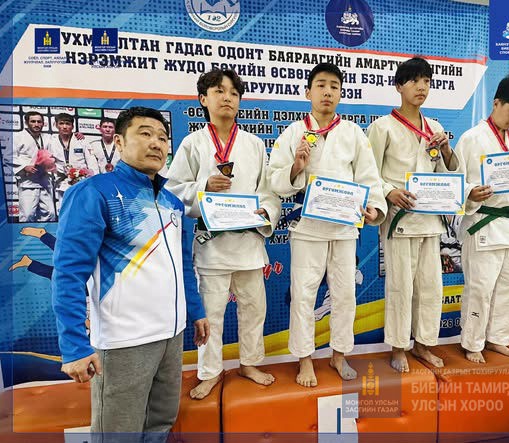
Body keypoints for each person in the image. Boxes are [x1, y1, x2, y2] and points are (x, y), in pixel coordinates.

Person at [52, 107, 209, 441]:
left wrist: (195, 311)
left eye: (162, 138)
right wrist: (73, 345)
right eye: (145, 133)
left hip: (171, 336)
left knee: (161, 423)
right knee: (118, 433)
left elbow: (182, 264)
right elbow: (68, 273)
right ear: (119, 142)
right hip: (124, 341)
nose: (156, 143)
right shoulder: (94, 193)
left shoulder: (172, 202)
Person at [267, 62, 387, 387]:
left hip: (345, 227)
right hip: (307, 228)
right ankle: (305, 359)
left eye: (334, 86)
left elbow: (369, 176)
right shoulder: (293, 132)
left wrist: (374, 207)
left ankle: (339, 354)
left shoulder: (353, 133)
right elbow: (274, 179)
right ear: (308, 92)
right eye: (321, 85)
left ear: (341, 93)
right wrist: (296, 167)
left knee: (345, 294)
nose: (327, 92)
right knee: (304, 294)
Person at [166, 69, 281, 400]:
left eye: (233, 92)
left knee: (254, 309)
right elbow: (173, 190)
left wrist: (266, 212)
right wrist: (203, 186)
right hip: (212, 247)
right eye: (219, 91)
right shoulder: (193, 143)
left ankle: (249, 363)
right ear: (204, 99)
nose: (227, 97)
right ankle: (210, 372)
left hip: (248, 244)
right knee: (211, 316)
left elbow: (268, 191)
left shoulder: (254, 144)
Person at [367, 57, 460, 372]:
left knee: (431, 287)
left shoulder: (435, 127)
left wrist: (446, 150)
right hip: (400, 219)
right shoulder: (382, 127)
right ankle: (398, 347)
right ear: (399, 86)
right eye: (414, 81)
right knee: (400, 287)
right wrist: (388, 191)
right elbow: (368, 173)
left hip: (430, 221)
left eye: (427, 81)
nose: (421, 87)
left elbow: (449, 173)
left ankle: (423, 344)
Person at [455, 72, 509, 363]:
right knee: (480, 288)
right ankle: (472, 342)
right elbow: (456, 181)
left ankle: (498, 339)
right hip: (482, 223)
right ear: (496, 103)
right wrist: (470, 192)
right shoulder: (471, 139)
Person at [8, 111, 56, 222]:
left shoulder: (48, 137)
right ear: (26, 122)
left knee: (51, 214)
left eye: (39, 122)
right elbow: (9, 156)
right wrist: (24, 167)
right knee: (27, 215)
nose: (36, 124)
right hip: (27, 182)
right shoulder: (17, 137)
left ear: (43, 123)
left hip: (44, 181)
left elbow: (62, 141)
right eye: (33, 121)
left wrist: (77, 135)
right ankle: (25, 233)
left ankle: (44, 233)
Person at [51, 112, 99, 210]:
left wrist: (94, 180)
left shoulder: (82, 141)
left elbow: (92, 162)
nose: (64, 127)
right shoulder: (51, 141)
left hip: (81, 182)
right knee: (64, 211)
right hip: (62, 182)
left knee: (82, 210)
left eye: (68, 124)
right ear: (56, 125)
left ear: (72, 126)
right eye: (61, 123)